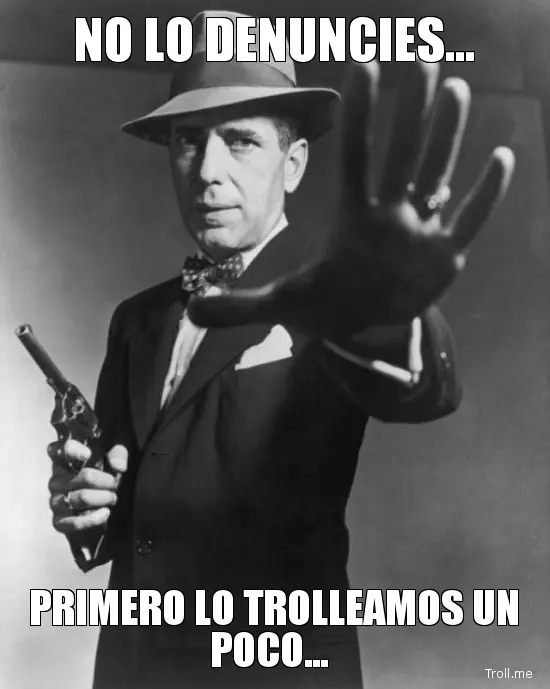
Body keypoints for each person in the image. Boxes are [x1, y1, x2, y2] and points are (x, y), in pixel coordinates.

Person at [46, 9, 515, 689]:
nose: (207, 171)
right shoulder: (137, 320)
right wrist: (85, 508)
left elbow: (424, 388)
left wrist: (390, 307)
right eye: (188, 141)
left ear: (292, 166)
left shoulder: (331, 293)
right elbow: (129, 516)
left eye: (240, 141)